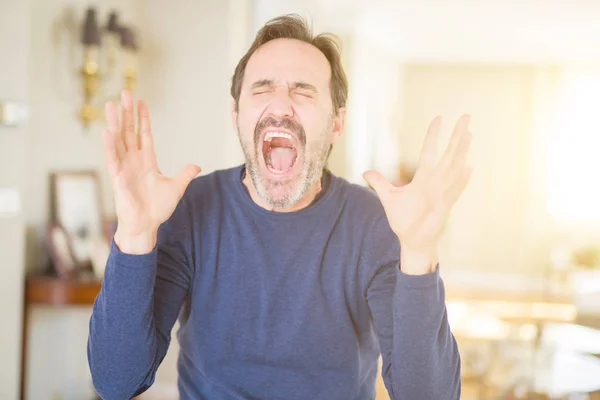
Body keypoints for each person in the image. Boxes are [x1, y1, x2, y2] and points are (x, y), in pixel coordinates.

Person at [88, 14, 472, 400]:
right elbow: (118, 382)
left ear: (337, 123)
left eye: (303, 91)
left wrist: (419, 253)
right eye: (262, 88)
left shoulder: (375, 223)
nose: (282, 105)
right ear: (236, 116)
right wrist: (135, 234)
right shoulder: (190, 210)